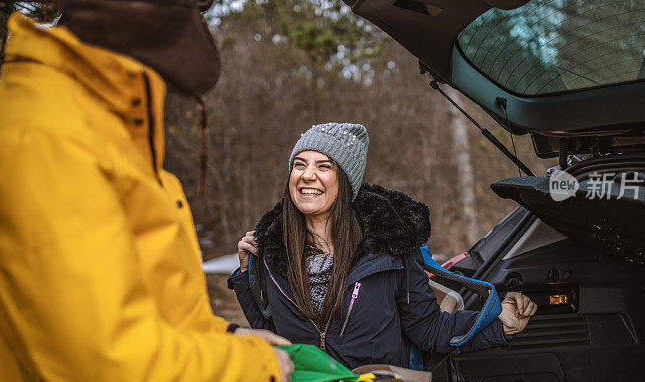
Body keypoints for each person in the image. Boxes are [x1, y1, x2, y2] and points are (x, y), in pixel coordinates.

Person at [0, 0, 292, 382]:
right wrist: (257, 368)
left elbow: (152, 302)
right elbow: (112, 373)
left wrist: (227, 339)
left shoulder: (102, 121)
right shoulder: (46, 139)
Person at [230, 123, 537, 369]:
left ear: (346, 181)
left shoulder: (390, 248)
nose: (307, 175)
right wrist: (247, 275)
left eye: (324, 166)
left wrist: (499, 325)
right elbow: (270, 332)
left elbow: (428, 330)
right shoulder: (272, 249)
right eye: (299, 164)